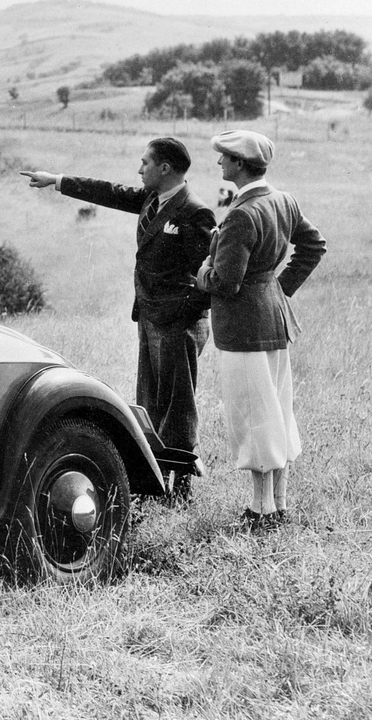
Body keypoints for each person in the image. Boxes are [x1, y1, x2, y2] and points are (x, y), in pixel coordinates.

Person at [20, 138, 216, 501]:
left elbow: (207, 276)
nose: (139, 169)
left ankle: (183, 486)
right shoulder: (151, 200)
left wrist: (179, 313)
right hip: (151, 316)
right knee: (150, 399)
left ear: (165, 169)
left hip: (177, 322)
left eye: (145, 163)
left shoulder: (195, 212)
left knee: (178, 405)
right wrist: (57, 180)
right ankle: (158, 481)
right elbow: (108, 192)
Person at [195, 130, 326, 531]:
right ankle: (278, 502)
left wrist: (203, 275)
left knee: (253, 415)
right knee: (278, 410)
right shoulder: (283, 200)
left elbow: (227, 282)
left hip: (243, 327)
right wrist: (278, 289)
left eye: (224, 158)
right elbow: (314, 246)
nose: (219, 164)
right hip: (274, 320)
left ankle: (260, 508)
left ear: (238, 163)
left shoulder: (241, 214)